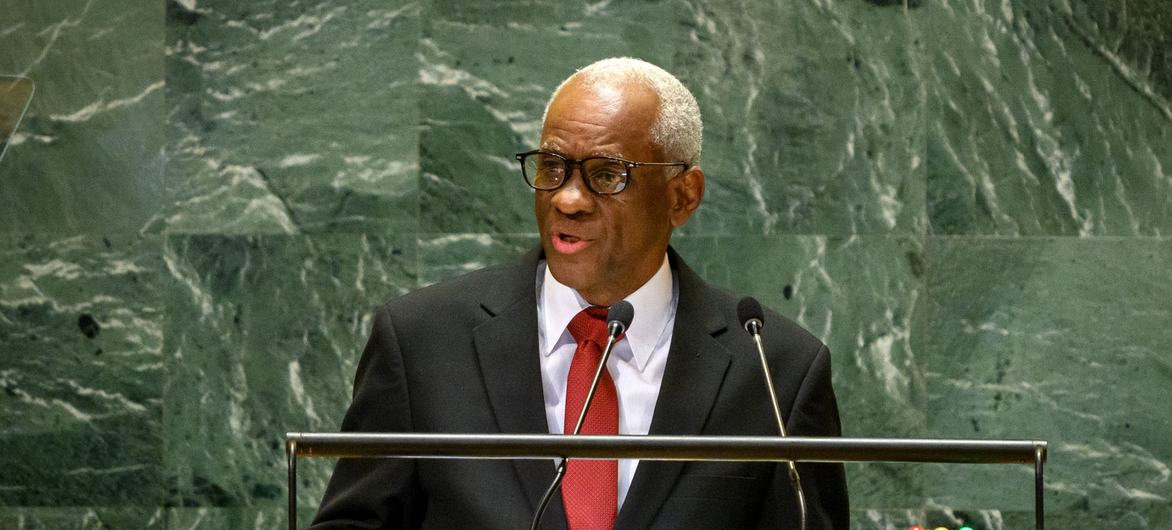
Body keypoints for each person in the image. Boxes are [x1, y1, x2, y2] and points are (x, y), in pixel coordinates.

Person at [312, 57, 849, 529]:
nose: (568, 200)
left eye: (607, 174)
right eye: (553, 167)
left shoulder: (777, 371)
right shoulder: (423, 342)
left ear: (682, 197)